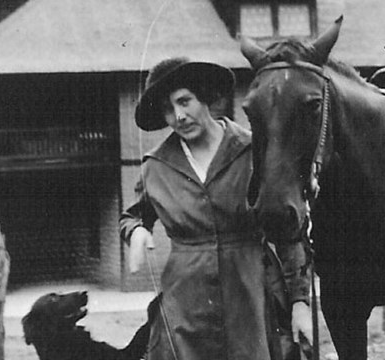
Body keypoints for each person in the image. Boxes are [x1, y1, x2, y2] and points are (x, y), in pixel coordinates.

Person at [120, 57, 313, 360]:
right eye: (168, 109)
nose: (179, 116)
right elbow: (133, 215)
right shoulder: (157, 166)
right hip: (186, 303)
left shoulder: (255, 152)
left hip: (253, 294)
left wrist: (300, 303)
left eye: (185, 101)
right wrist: (137, 230)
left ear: (205, 97)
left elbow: (289, 233)